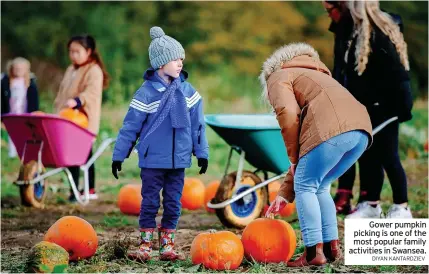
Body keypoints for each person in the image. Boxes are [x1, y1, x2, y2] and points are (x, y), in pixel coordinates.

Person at [263, 42, 372, 266]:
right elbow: (305, 158)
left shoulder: (278, 75)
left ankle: (313, 253)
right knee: (319, 185)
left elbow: (287, 112)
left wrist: (293, 159)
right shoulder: (318, 75)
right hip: (361, 130)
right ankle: (332, 249)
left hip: (332, 130)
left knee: (306, 186)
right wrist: (284, 194)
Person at [111, 26, 209, 261]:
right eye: (175, 59)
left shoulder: (188, 92)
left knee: (174, 203)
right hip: (153, 160)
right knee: (150, 202)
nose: (180, 63)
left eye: (182, 59)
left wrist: (201, 152)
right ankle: (145, 245)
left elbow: (198, 126)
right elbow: (130, 127)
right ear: (160, 63)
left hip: (179, 160)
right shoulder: (146, 93)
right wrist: (119, 155)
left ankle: (167, 246)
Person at [323, 1, 413, 218]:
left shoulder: (378, 35)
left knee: (389, 157)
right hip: (368, 108)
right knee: (369, 156)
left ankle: (402, 206)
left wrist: (403, 106)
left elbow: (398, 74)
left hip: (387, 108)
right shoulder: (354, 34)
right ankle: (371, 205)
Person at [54, 35, 109, 201]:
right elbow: (62, 91)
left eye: (77, 52)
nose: (73, 55)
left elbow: (91, 93)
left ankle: (88, 188)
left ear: (88, 51)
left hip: (83, 119)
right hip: (67, 118)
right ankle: (75, 189)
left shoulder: (94, 70)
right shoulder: (71, 69)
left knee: (83, 155)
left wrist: (78, 101)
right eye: (71, 52)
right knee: (73, 155)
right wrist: (59, 108)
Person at [1, 57, 39, 158]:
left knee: (23, 134)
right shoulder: (5, 82)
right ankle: (11, 154)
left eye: (21, 69)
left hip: (24, 113)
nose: (18, 71)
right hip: (10, 113)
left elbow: (34, 101)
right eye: (16, 68)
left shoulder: (30, 83)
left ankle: (23, 153)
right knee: (11, 133)